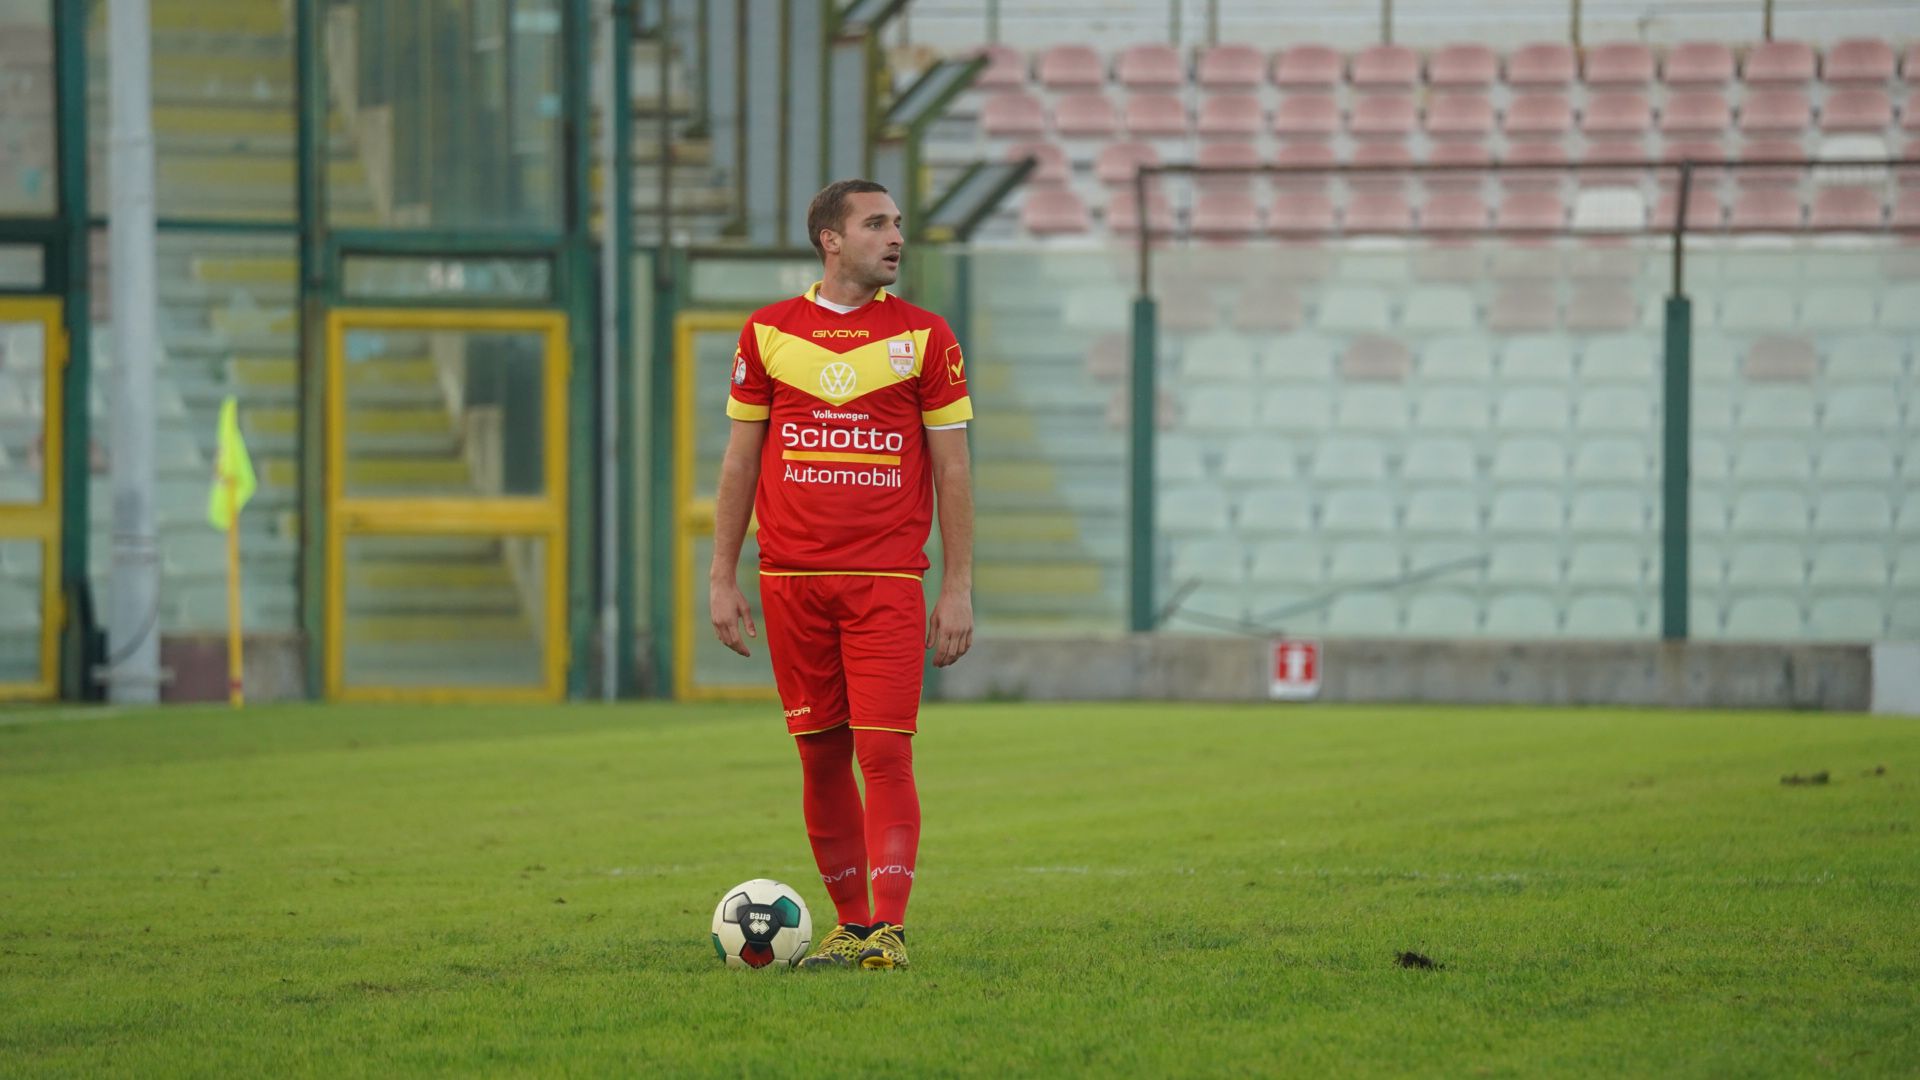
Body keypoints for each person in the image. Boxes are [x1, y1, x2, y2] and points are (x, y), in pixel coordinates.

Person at [708, 178, 975, 971]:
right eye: (876, 224)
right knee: (819, 755)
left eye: (897, 223)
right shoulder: (767, 332)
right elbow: (739, 463)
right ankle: (851, 926)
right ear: (830, 239)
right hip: (789, 581)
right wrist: (721, 577)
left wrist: (957, 587)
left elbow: (953, 471)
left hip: (886, 581)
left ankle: (889, 929)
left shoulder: (926, 337)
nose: (896, 237)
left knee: (885, 754)